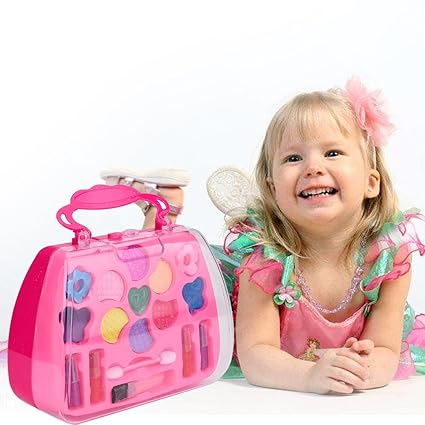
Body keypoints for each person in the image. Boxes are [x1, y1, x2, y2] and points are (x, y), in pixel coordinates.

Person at [100, 77, 425, 395]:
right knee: (163, 288)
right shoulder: (265, 259)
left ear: (371, 182)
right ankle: (160, 213)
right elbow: (256, 354)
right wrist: (310, 376)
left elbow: (385, 349)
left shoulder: (388, 258)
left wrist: (360, 369)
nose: (312, 167)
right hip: (223, 313)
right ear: (273, 188)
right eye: (293, 158)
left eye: (332, 153)